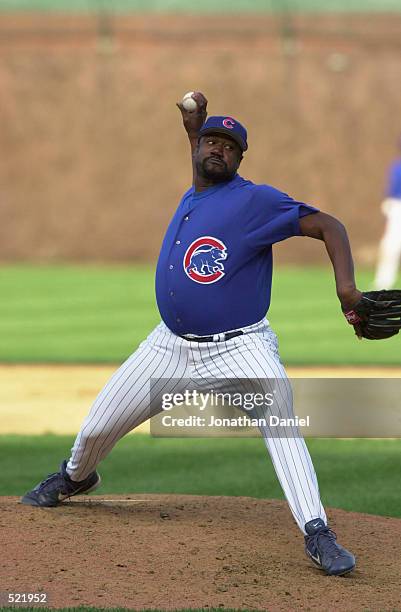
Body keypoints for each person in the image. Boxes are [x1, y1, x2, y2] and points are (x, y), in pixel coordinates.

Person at [21, 92, 360, 577]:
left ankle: (317, 531)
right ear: (197, 148)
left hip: (241, 347)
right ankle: (77, 477)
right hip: (168, 346)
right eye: (210, 142)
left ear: (241, 158)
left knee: (282, 424)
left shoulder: (254, 200)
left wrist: (346, 289)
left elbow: (328, 225)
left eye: (229, 146)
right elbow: (200, 158)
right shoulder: (197, 188)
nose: (217, 150)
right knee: (96, 428)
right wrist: (193, 127)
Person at [374, 149, 401, 289]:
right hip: (397, 207)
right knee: (391, 245)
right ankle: (383, 280)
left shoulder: (397, 167)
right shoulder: (397, 167)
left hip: (396, 208)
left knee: (391, 245)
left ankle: (383, 280)